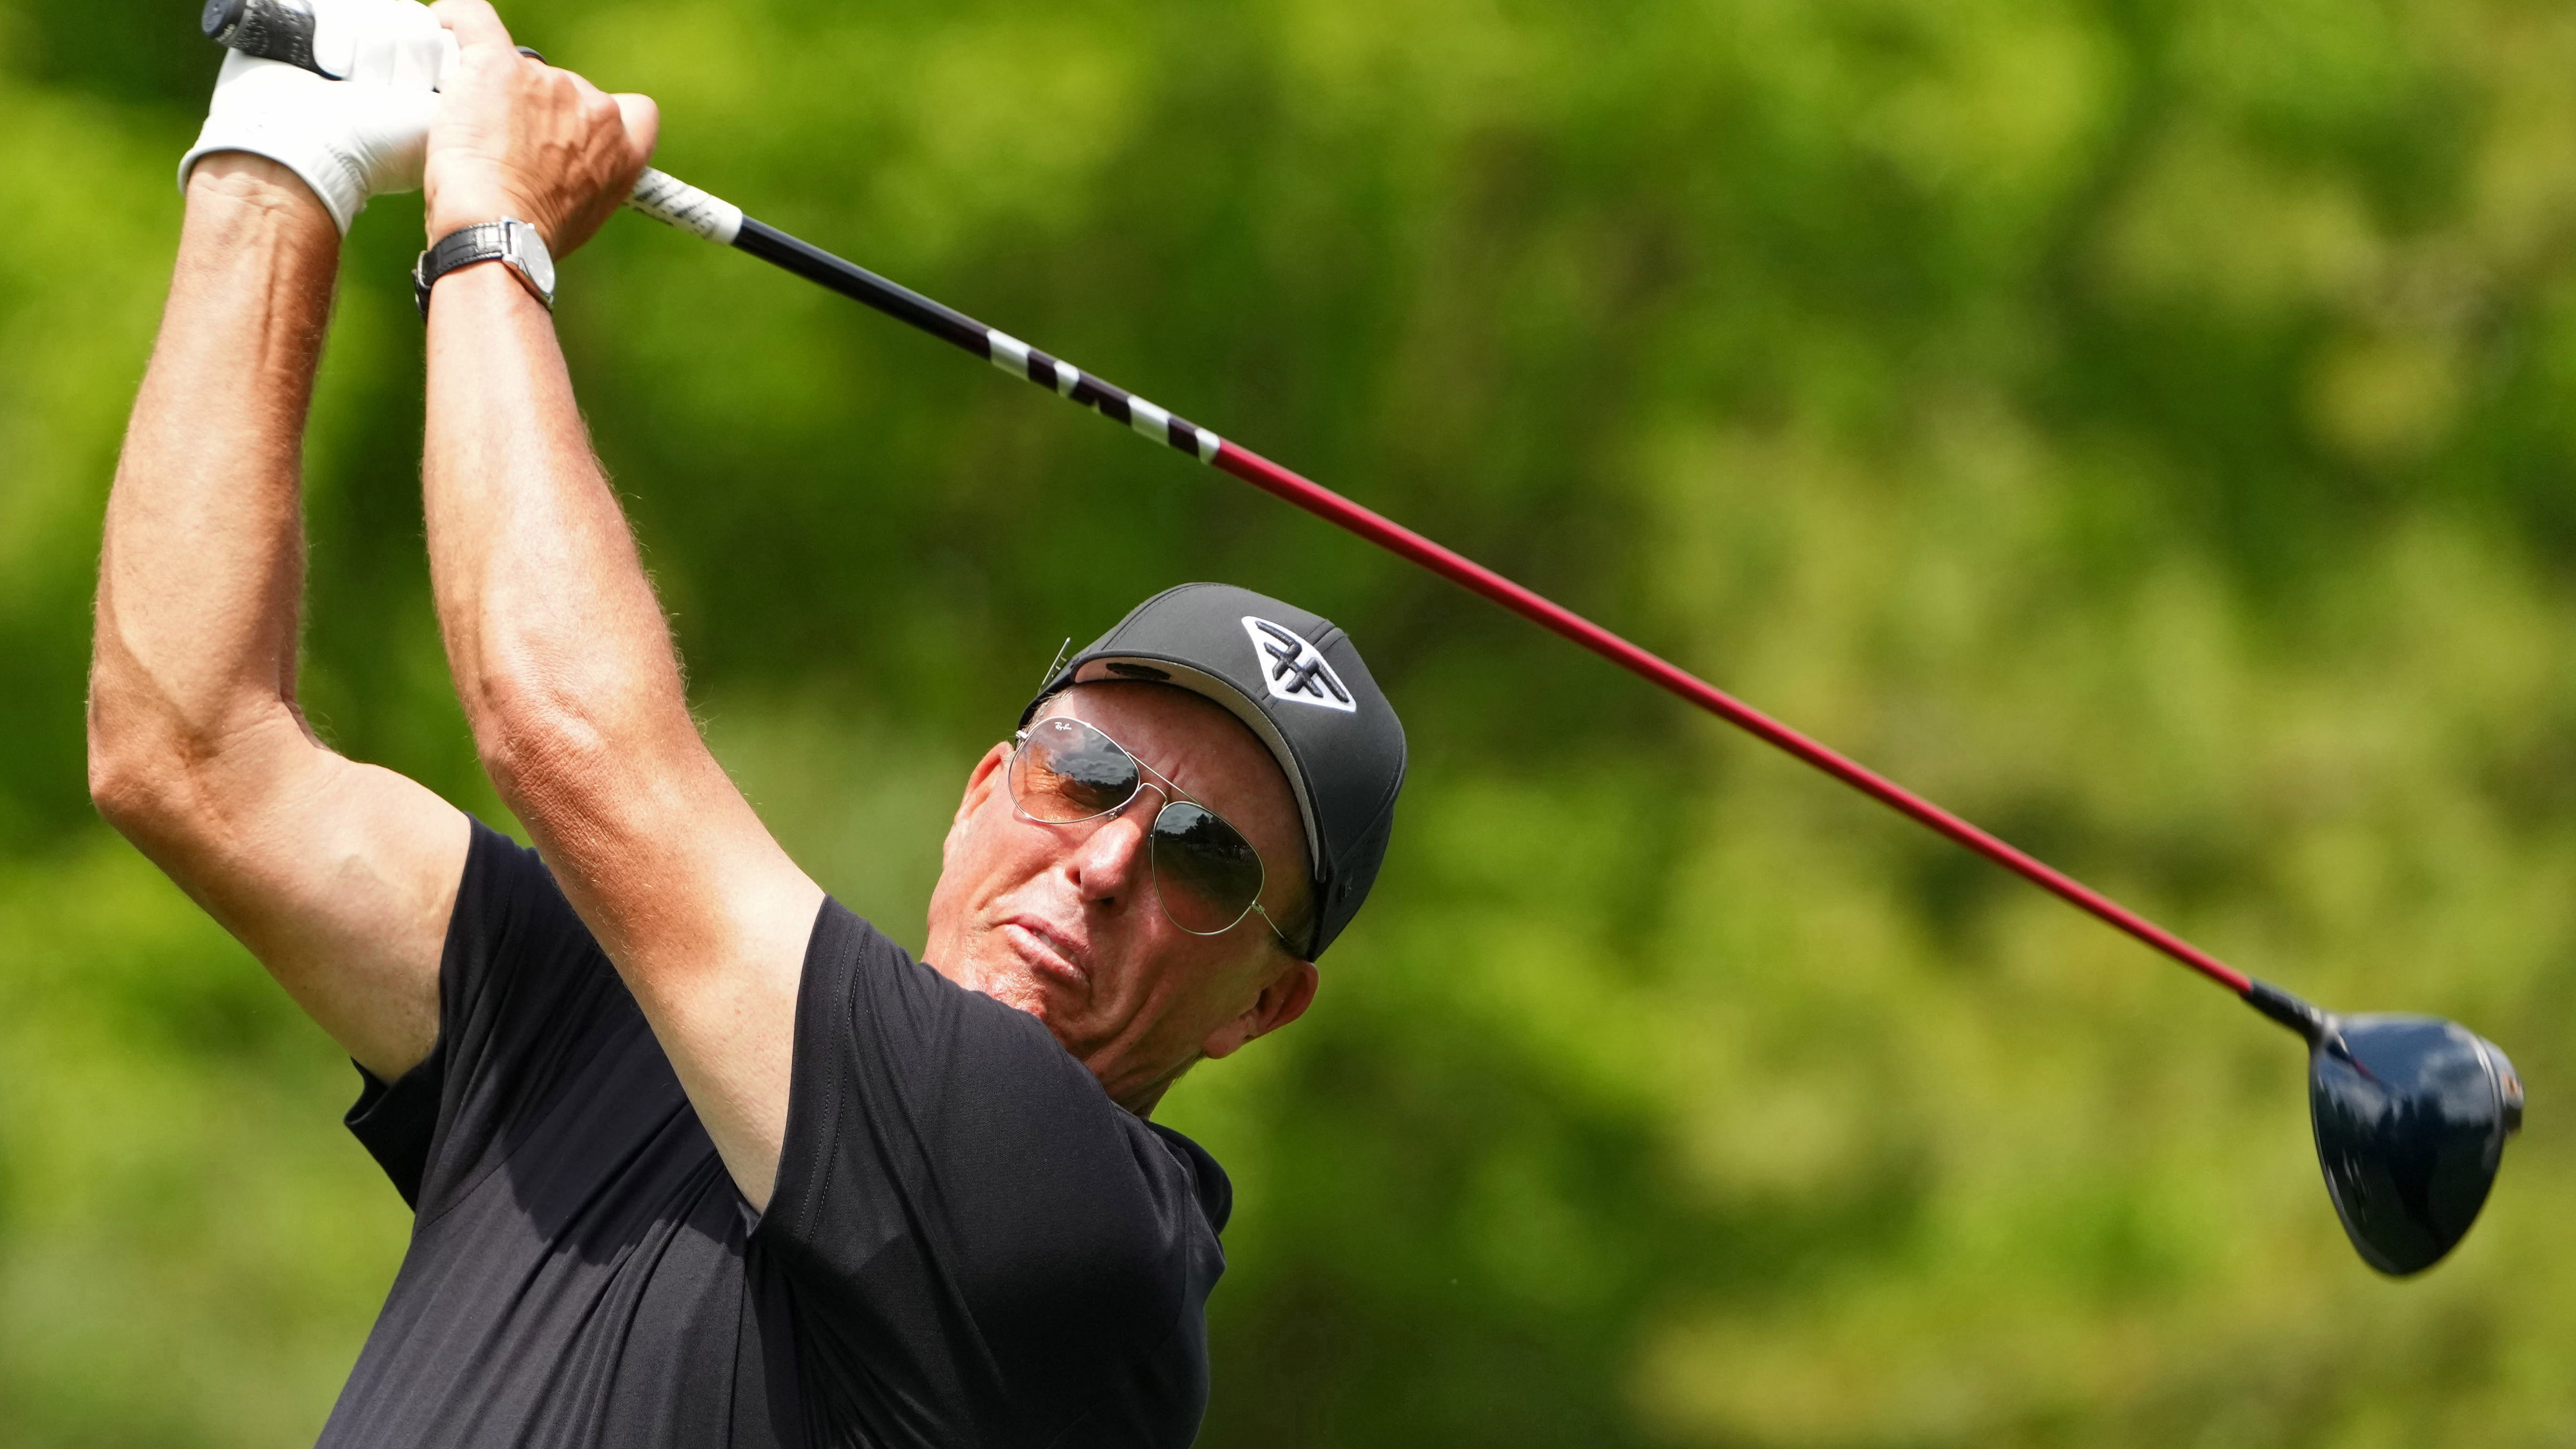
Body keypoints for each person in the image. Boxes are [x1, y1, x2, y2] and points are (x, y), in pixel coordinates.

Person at [84, 1, 1407, 1443]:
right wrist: (283, 145)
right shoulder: (622, 1014)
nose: (1104, 862)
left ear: (1265, 1004)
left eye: (1206, 859)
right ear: (985, 787)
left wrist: (491, 229)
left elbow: (568, 737)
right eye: (1087, 773)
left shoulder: (1079, 1230)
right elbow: (188, 748)